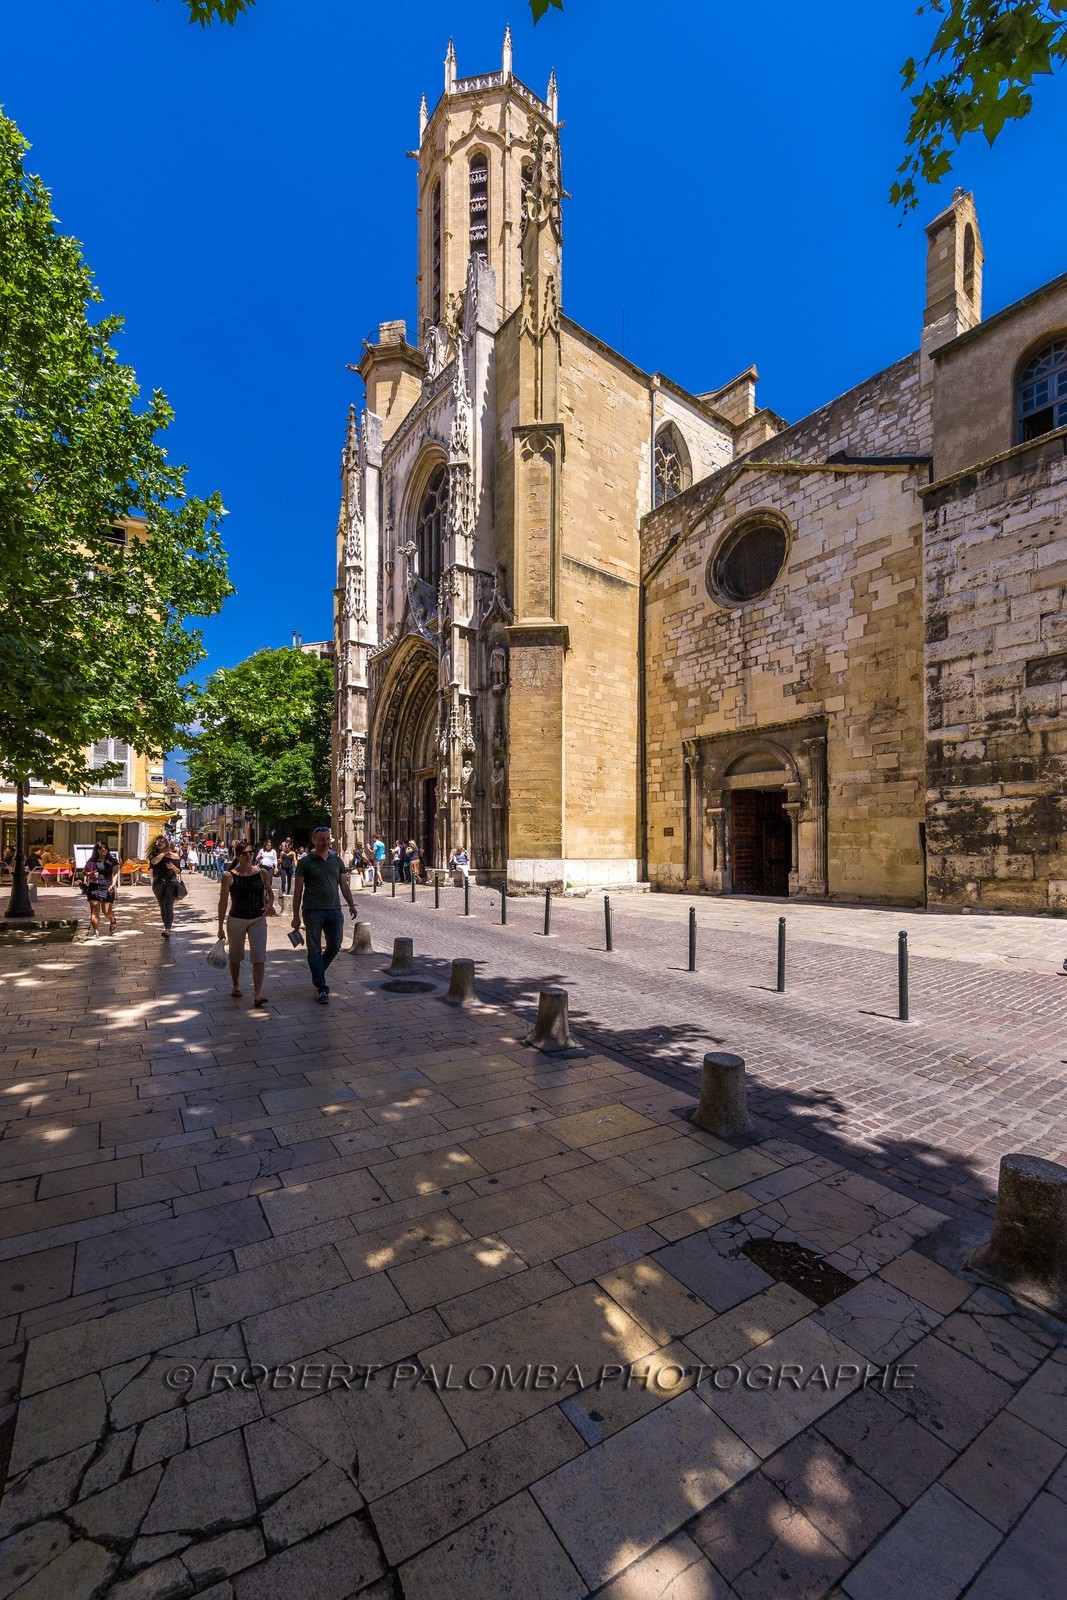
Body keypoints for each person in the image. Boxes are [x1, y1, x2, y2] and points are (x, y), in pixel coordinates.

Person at [290, 825, 356, 1003]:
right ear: (314, 840)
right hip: (312, 911)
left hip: (334, 910)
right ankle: (322, 986)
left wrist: (351, 904)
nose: (325, 842)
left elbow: (344, 885)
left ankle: (317, 972)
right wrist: (295, 916)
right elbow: (297, 891)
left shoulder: (337, 861)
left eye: (327, 839)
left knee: (335, 946)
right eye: (322, 839)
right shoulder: (305, 862)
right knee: (314, 949)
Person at [217, 841, 273, 1005]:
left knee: (259, 955)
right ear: (238, 856)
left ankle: (257, 994)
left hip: (258, 918)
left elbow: (270, 893)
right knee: (235, 955)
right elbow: (222, 902)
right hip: (236, 919)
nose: (248, 856)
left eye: (251, 852)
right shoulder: (229, 876)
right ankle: (235, 985)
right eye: (244, 853)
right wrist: (220, 926)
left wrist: (269, 905)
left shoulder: (262, 873)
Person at [149, 834, 182, 936]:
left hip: (170, 882)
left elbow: (178, 872)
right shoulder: (153, 855)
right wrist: (164, 853)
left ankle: (168, 929)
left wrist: (172, 867)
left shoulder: (175, 856)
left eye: (161, 841)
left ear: (166, 843)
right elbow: (154, 862)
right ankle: (166, 926)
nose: (158, 843)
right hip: (158, 882)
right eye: (157, 841)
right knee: (162, 906)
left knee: (168, 905)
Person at [84, 841, 118, 936]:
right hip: (94, 887)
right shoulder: (92, 861)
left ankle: (113, 920)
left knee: (106, 912)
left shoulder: (112, 861)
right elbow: (84, 872)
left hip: (107, 887)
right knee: (94, 910)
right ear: (97, 850)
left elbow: (115, 874)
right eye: (100, 848)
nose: (103, 849)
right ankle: (96, 932)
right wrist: (89, 874)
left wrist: (113, 884)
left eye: (105, 848)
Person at [277, 839, 296, 906]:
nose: (286, 847)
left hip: (290, 867)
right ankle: (283, 892)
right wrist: (279, 861)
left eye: (287, 846)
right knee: (283, 880)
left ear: (290, 847)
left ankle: (288, 892)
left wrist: (296, 865)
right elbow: (280, 859)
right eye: (285, 846)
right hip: (283, 868)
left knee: (289, 880)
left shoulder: (293, 853)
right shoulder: (282, 852)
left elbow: (294, 860)